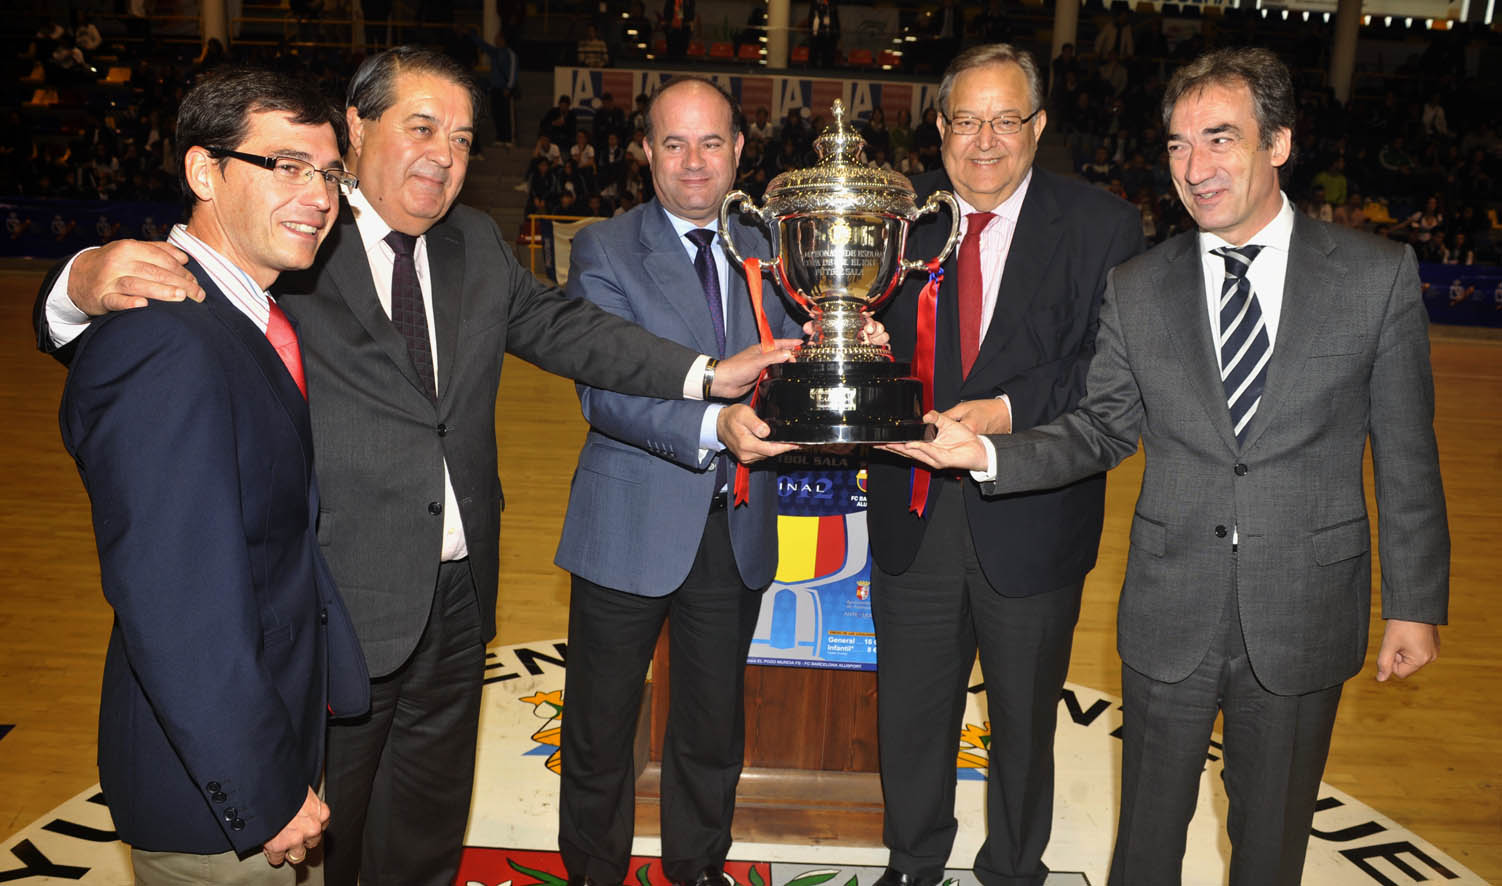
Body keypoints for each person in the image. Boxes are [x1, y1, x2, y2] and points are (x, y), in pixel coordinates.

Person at [35, 46, 792, 886]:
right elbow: (180, 310)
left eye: (465, 139)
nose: (445, 156)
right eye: (422, 127)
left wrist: (703, 376)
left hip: (458, 603)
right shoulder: (295, 237)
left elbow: (570, 331)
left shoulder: (473, 241)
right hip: (344, 605)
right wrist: (74, 281)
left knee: (427, 830)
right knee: (335, 838)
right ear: (355, 128)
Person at [889, 47, 1448, 886]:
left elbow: (1407, 453)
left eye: (1219, 140)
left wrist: (1413, 605)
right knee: (1145, 846)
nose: (1196, 167)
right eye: (1180, 146)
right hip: (1168, 605)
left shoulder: (1376, 277)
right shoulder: (1143, 285)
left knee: (1271, 845)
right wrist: (993, 455)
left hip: (1303, 606)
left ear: (1280, 143)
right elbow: (1102, 428)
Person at [47, 66, 370, 884]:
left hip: (265, 731)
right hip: (217, 801)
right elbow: (177, 600)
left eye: (329, 173)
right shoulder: (169, 342)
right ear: (203, 171)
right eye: (287, 166)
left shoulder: (245, 316)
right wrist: (266, 791)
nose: (319, 195)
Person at [862, 44, 1144, 886]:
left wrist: (1005, 414)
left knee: (1024, 727)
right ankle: (912, 866)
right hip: (911, 515)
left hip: (1032, 517)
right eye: (967, 120)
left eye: (1007, 119)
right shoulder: (893, 218)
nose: (986, 140)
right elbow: (848, 333)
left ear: (1039, 125)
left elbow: (1102, 366)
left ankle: (1014, 872)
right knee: (911, 720)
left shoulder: (1102, 225)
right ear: (940, 126)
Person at [552, 77, 805, 886]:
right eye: (673, 142)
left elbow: (798, 361)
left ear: (739, 149)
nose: (693, 162)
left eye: (710, 142)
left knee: (709, 728)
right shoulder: (604, 247)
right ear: (645, 152)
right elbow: (604, 390)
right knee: (599, 727)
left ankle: (697, 869)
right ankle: (595, 873)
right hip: (630, 522)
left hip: (735, 528)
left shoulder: (775, 247)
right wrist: (712, 426)